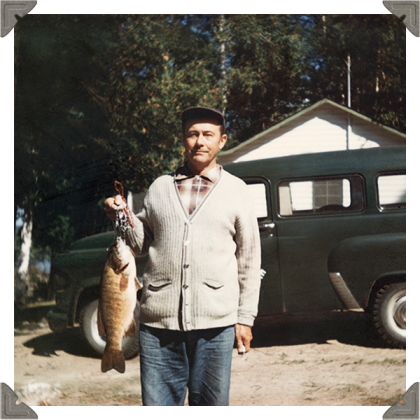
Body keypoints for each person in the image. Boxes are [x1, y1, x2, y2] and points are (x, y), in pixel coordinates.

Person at [104, 106, 261, 406]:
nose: (199, 141)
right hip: (158, 328)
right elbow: (138, 244)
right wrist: (120, 214)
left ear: (222, 140)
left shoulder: (237, 191)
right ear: (183, 139)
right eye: (192, 134)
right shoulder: (159, 188)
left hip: (216, 326)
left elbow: (250, 260)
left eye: (208, 134)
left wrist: (245, 317)